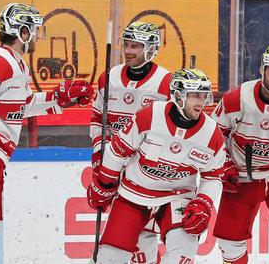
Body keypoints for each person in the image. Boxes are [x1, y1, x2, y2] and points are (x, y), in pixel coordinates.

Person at [0, 3, 93, 264]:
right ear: (23, 32)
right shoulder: (0, 59)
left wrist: (57, 98)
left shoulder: (17, 64)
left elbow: (20, 107)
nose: (37, 36)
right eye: (34, 30)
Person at [87, 68, 226, 264]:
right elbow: (118, 150)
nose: (201, 102)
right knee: (110, 258)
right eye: (195, 95)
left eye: (204, 95)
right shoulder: (149, 115)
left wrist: (203, 202)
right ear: (178, 96)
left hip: (177, 197)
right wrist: (104, 184)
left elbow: (213, 176)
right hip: (133, 194)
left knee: (181, 257)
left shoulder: (212, 133)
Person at [89, 21, 172, 264]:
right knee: (119, 231)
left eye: (135, 46)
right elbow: (97, 119)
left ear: (151, 49)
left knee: (143, 234)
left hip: (146, 171)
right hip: (113, 165)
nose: (128, 51)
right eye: (126, 44)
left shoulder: (166, 82)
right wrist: (98, 155)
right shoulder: (109, 77)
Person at [211, 44, 269, 263]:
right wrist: (225, 164)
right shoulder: (237, 98)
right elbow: (212, 135)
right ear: (261, 69)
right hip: (241, 176)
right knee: (229, 243)